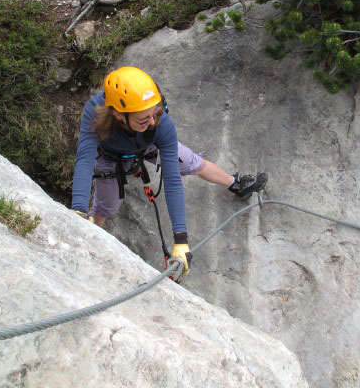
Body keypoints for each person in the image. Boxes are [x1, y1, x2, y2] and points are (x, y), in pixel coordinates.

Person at [71, 66, 267, 278]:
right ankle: (89, 235)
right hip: (111, 159)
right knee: (106, 207)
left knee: (193, 162)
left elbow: (173, 180)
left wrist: (181, 241)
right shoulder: (95, 110)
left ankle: (235, 183)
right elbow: (85, 159)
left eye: (155, 113)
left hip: (149, 147)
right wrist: (78, 210)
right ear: (118, 113)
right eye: (143, 119)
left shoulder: (160, 122)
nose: (152, 122)